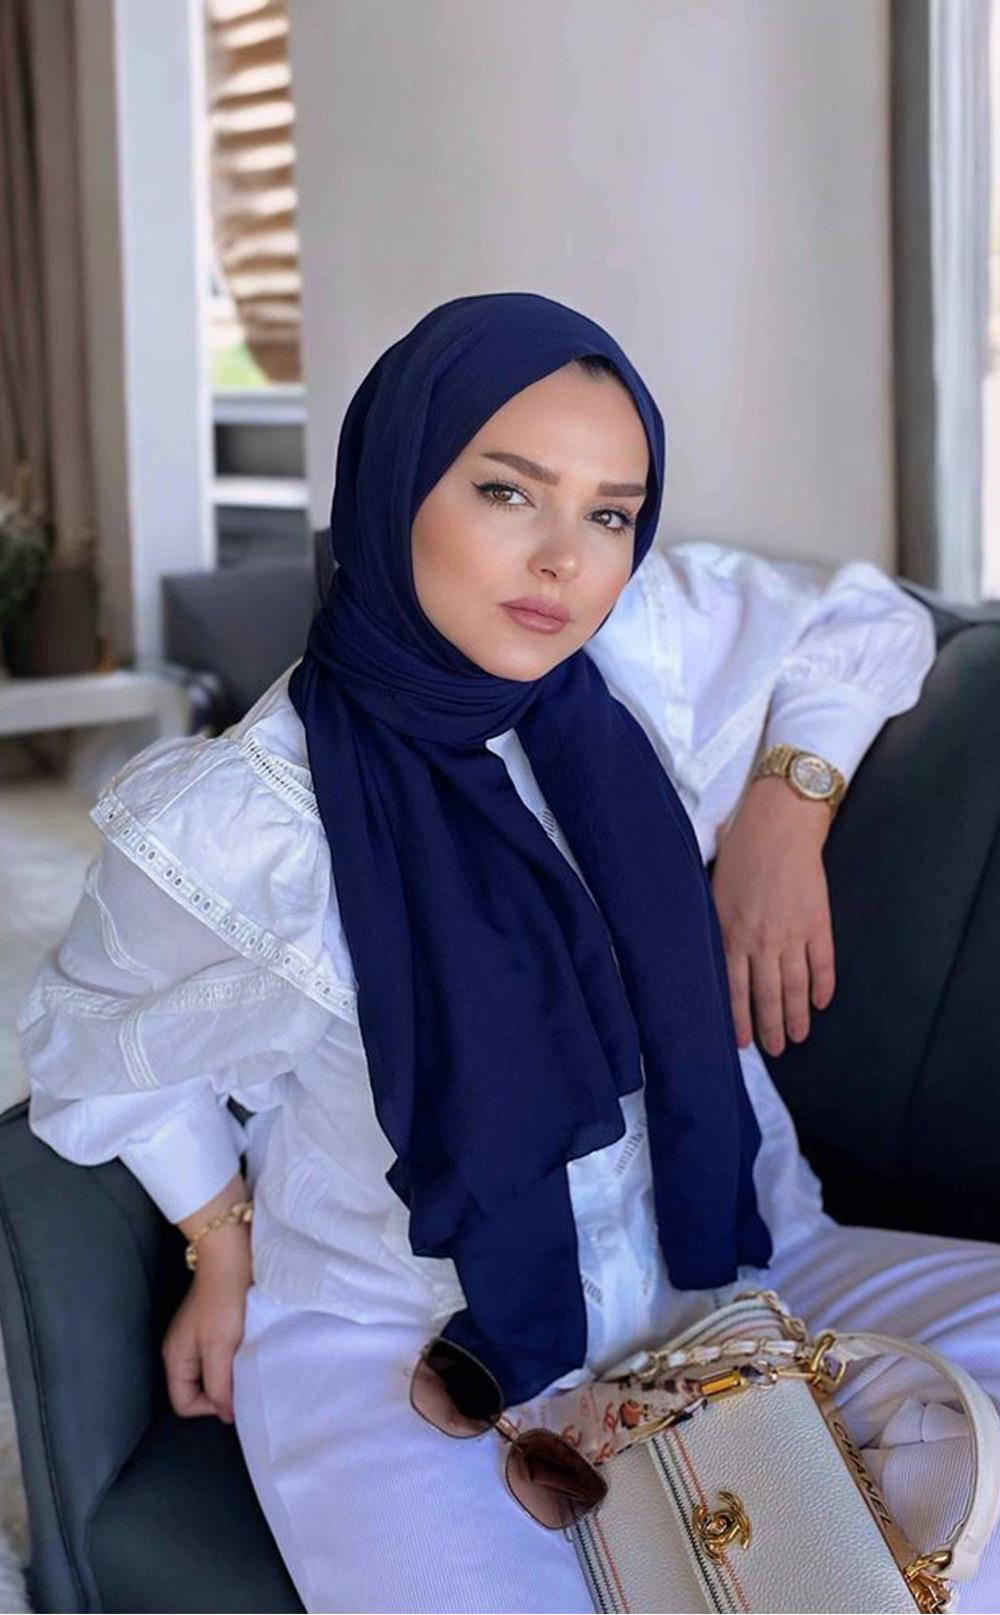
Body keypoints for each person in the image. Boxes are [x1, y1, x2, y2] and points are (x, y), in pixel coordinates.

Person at [18, 292, 1000, 1614]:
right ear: (396, 484)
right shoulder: (250, 817)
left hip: (732, 1257)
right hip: (410, 1342)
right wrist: (219, 1238)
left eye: (611, 514)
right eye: (506, 492)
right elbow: (91, 1041)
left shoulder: (639, 655)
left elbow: (864, 622)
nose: (564, 561)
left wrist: (785, 811)